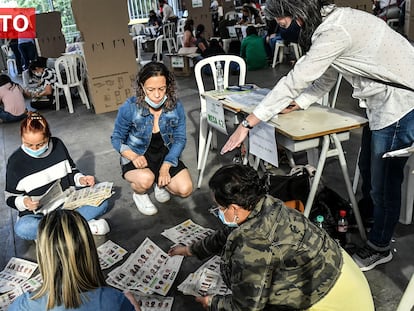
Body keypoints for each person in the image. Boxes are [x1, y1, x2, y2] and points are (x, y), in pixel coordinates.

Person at [221, 0, 414, 272]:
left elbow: (295, 79)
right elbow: (327, 77)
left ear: (299, 13)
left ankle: (379, 247)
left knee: (384, 182)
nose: (281, 27)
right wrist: (298, 104)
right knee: (368, 170)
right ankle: (370, 217)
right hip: (382, 103)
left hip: (401, 103)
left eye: (284, 21)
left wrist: (249, 123)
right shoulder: (333, 22)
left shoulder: (334, 31)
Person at [169, 164, 374, 310]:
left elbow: (247, 307)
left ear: (234, 208)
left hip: (331, 303)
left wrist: (212, 303)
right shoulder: (267, 203)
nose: (217, 211)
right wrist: (191, 250)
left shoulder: (251, 246)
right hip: (348, 278)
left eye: (219, 208)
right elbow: (230, 233)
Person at [5, 112, 110, 241]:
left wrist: (81, 179)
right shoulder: (15, 161)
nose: (34, 149)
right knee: (23, 228)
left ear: (48, 137)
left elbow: (71, 171)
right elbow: (10, 197)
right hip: (40, 216)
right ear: (21, 138)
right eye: (28, 145)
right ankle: (79, 227)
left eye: (40, 144)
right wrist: (25, 203)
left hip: (67, 206)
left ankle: (52, 234)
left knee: (103, 202)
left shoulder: (58, 145)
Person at [8, 209, 140, 311]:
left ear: (43, 254)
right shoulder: (113, 299)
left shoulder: (24, 305)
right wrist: (133, 305)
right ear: (89, 249)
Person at [111, 62, 193, 216]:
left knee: (185, 189)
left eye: (161, 89)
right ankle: (140, 195)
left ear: (168, 86)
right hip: (138, 155)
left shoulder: (176, 106)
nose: (156, 95)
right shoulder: (129, 107)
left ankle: (159, 184)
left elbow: (180, 138)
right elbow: (116, 139)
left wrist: (166, 166)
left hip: (164, 155)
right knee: (145, 180)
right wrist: (132, 155)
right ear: (142, 87)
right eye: (150, 89)